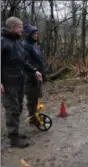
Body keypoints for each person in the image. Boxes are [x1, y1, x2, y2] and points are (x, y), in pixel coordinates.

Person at [1, 17, 42, 148]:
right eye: (20, 27)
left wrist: (34, 70)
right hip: (8, 83)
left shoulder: (18, 42)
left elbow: (23, 61)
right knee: (12, 109)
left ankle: (16, 133)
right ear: (13, 27)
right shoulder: (3, 42)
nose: (22, 30)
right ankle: (13, 138)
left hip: (20, 81)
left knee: (18, 107)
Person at [23, 24, 46, 124]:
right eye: (35, 33)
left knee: (37, 97)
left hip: (38, 76)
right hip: (30, 78)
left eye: (37, 33)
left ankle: (36, 115)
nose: (37, 35)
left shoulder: (35, 45)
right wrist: (34, 71)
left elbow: (39, 60)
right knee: (31, 99)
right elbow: (25, 62)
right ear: (29, 34)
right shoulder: (25, 46)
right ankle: (33, 118)